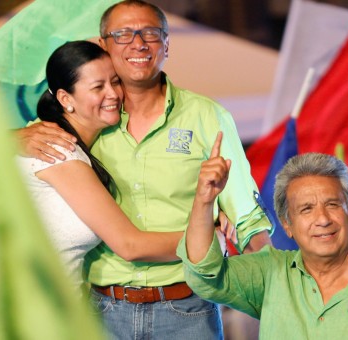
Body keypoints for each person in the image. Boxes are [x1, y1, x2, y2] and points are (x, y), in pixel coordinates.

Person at [17, 1, 272, 338]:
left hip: (188, 310)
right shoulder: (88, 117)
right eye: (122, 34)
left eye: (150, 33)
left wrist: (277, 289)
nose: (138, 43)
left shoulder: (207, 117)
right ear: (103, 45)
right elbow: (4, 160)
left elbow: (247, 218)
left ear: (167, 45)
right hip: (101, 311)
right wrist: (11, 137)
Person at [0, 40, 191, 340]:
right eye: (98, 87)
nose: (114, 94)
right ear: (66, 99)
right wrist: (208, 239)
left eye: (115, 81)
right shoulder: (57, 150)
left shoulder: (45, 137)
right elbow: (130, 245)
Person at [180, 149, 348, 339]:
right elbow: (205, 273)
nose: (323, 219)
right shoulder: (270, 273)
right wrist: (204, 199)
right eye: (306, 209)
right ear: (287, 226)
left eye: (333, 205)